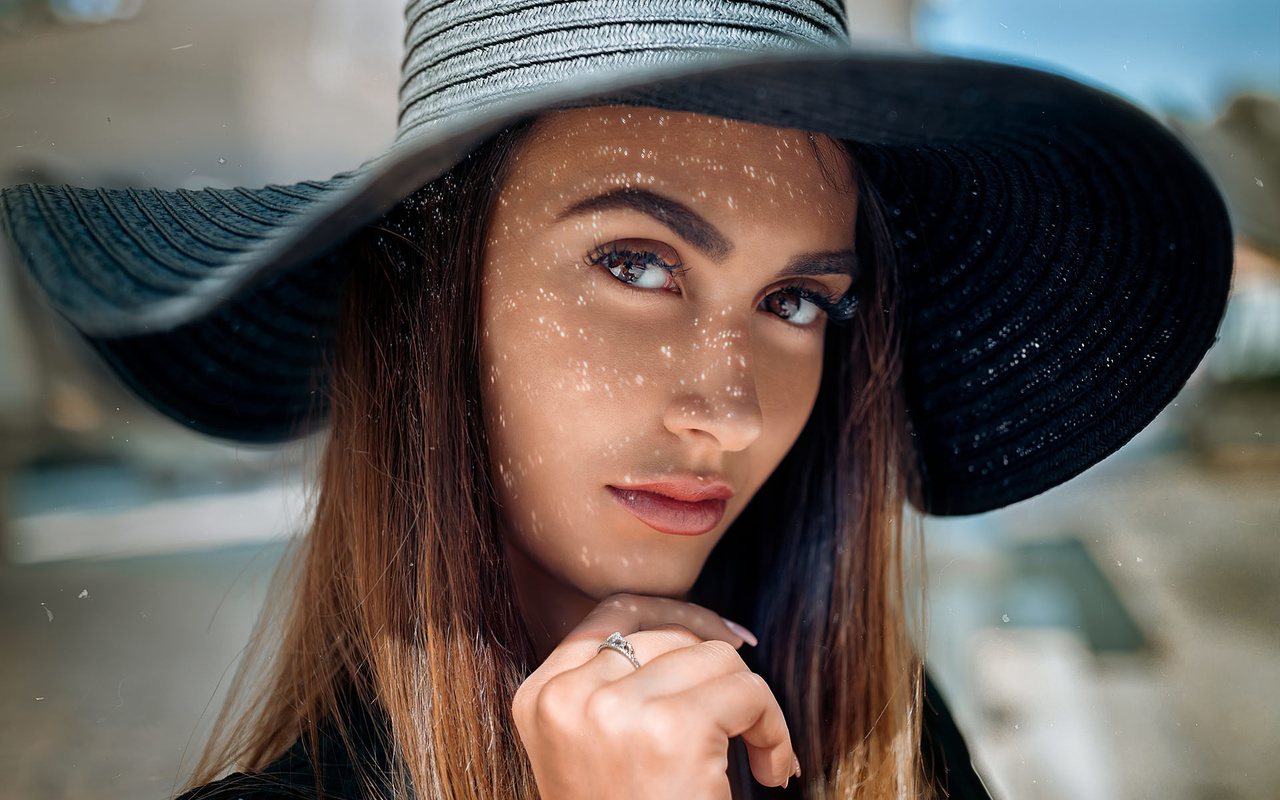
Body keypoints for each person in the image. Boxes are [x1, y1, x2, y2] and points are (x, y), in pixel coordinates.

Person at [0, 2, 1232, 799]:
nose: (732, 412)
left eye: (798, 301)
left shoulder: (879, 728)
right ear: (433, 301)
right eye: (635, 263)